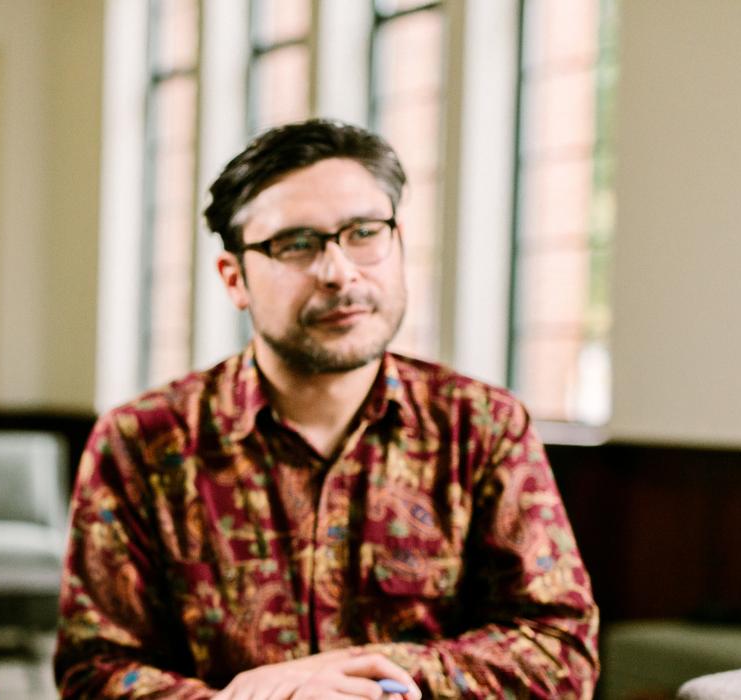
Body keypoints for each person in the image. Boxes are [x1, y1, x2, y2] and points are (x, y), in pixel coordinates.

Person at [55, 119, 598, 698]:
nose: (340, 272)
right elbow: (95, 668)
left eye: (364, 232)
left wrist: (362, 676)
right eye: (297, 244)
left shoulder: (481, 426)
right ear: (234, 279)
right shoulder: (143, 441)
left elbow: (558, 651)